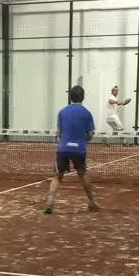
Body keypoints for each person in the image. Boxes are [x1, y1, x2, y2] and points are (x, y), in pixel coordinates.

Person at [44, 85, 99, 214]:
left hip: (63, 149)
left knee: (57, 176)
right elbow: (90, 134)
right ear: (83, 97)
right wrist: (81, 139)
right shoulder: (87, 113)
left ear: (70, 96)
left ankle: (50, 202)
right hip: (79, 149)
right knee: (82, 174)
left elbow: (59, 132)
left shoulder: (62, 112)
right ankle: (91, 202)